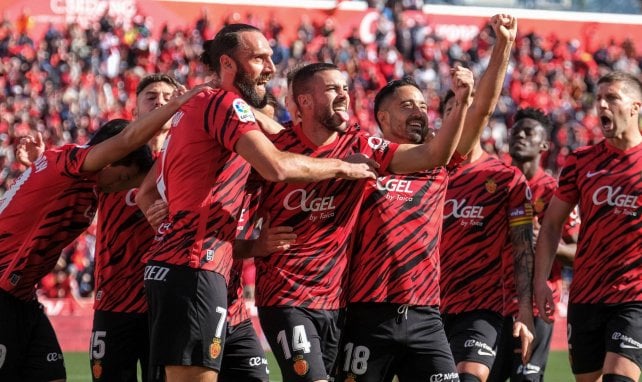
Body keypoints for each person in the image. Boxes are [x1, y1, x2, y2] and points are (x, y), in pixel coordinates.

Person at [135, 24, 377, 382]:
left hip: (211, 272)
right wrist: (344, 167)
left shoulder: (199, 106)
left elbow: (146, 193)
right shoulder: (221, 103)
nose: (271, 67)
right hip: (194, 267)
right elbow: (277, 165)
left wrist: (170, 217)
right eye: (260, 58)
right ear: (228, 64)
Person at [238, 61, 472, 382]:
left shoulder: (361, 145)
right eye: (333, 88)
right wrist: (252, 245)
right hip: (285, 296)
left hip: (336, 303)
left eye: (346, 88)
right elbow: (219, 210)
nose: (345, 94)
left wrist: (460, 104)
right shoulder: (275, 149)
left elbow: (432, 155)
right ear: (305, 101)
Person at [335, 14, 517, 382]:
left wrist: (503, 46)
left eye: (422, 106)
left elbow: (481, 109)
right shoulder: (362, 162)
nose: (420, 112)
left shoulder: (441, 162)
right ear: (382, 117)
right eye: (407, 106)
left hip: (425, 315)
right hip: (368, 314)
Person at [0, 83, 205, 381]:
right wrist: (180, 102)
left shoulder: (78, 180)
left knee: (52, 375)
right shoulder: (70, 163)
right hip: (5, 293)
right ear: (110, 160)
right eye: (124, 179)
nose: (121, 189)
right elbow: (126, 140)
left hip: (23, 296)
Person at [439, 15, 535, 382]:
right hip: (426, 309)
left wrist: (503, 44)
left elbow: (523, 250)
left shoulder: (504, 178)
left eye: (462, 109)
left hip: (481, 309)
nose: (457, 116)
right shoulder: (429, 170)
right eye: (449, 111)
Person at [534, 71, 642, 382]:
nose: (602, 105)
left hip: (634, 297)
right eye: (599, 99)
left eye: (612, 98)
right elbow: (552, 225)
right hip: (586, 295)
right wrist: (541, 281)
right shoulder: (581, 161)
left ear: (635, 107)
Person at [89, 74, 181, 382]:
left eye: (169, 97)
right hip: (114, 299)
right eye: (151, 97)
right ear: (135, 110)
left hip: (164, 301)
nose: (161, 102)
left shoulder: (185, 163)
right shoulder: (109, 158)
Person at [491, 107, 576, 382]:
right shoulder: (492, 186)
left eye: (529, 132)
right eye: (516, 131)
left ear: (544, 144)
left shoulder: (555, 192)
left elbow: (580, 252)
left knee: (525, 379)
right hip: (490, 303)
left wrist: (547, 244)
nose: (520, 135)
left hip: (537, 306)